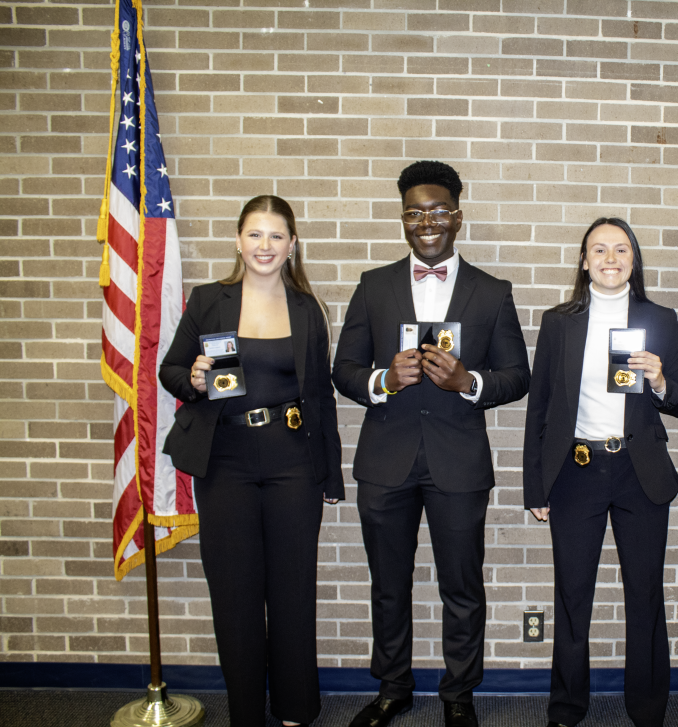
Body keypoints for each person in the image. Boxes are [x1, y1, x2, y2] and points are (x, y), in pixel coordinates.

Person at [333, 161, 530, 727]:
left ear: (458, 217)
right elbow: (343, 370)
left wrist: (469, 382)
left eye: (438, 211)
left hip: (459, 465)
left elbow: (518, 377)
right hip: (385, 462)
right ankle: (393, 688)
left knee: (462, 590)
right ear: (403, 219)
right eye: (414, 212)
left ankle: (458, 695)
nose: (426, 221)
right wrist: (381, 380)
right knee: (388, 587)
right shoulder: (373, 286)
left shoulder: (492, 293)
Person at [159, 195, 344, 727]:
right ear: (239, 241)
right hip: (227, 463)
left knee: (292, 587)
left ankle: (295, 707)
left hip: (292, 462)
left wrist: (329, 474)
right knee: (235, 593)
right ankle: (246, 712)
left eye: (277, 236)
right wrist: (192, 379)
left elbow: (321, 397)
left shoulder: (309, 309)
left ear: (293, 245)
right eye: (256, 235)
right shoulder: (208, 300)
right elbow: (172, 370)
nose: (265, 246)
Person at [523, 218, 678, 727]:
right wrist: (536, 483)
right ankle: (567, 707)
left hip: (639, 473)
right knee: (572, 594)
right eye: (599, 250)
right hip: (576, 472)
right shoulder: (559, 321)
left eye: (621, 250)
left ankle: (647, 709)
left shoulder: (660, 318)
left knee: (645, 594)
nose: (610, 258)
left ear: (634, 260)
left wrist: (660, 378)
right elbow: (541, 407)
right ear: (584, 262)